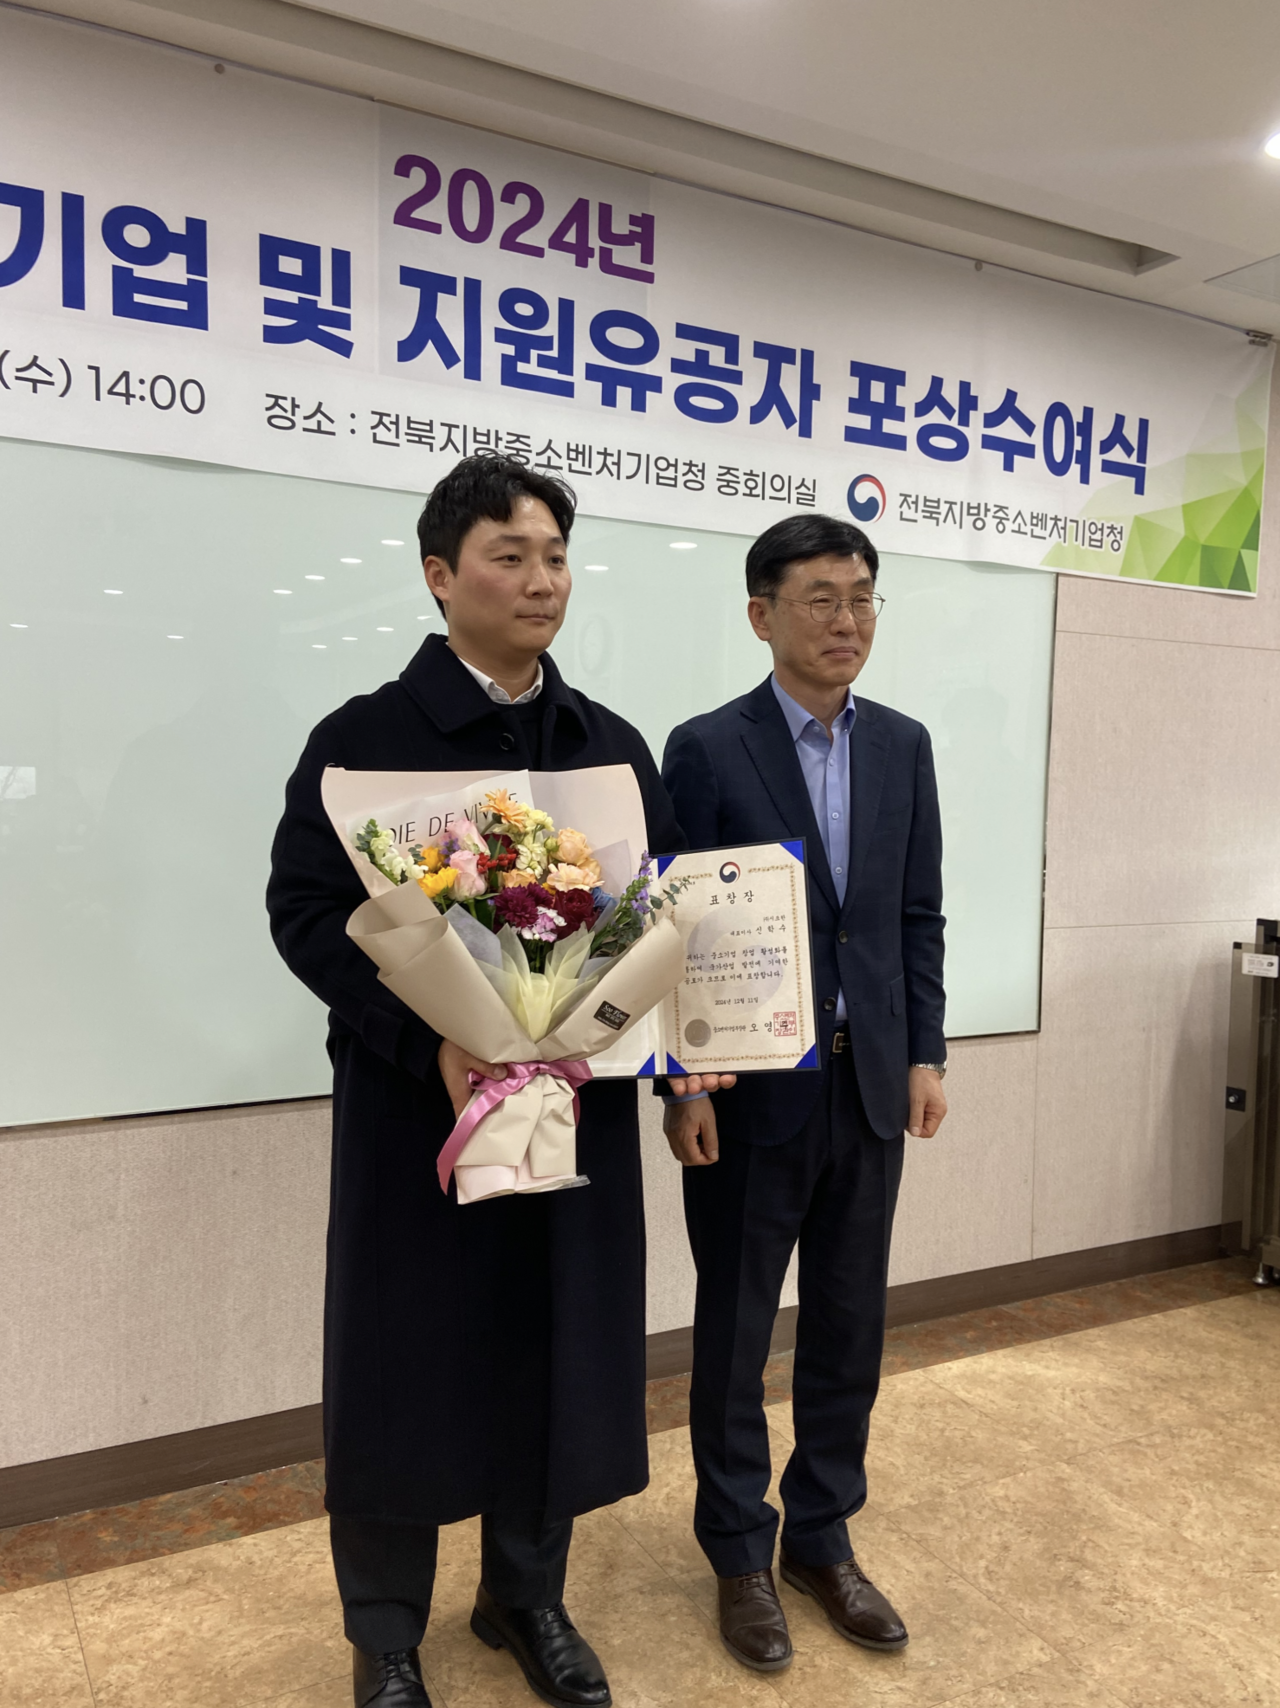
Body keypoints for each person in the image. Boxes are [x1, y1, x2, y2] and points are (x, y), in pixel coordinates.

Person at [267, 455, 725, 1708]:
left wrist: (682, 1075)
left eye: (555, 558)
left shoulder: (609, 746)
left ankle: (524, 1595)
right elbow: (304, 914)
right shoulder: (361, 740)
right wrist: (425, 1039)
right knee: (404, 1361)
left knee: (553, 1346)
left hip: (575, 1108)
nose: (540, 581)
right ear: (439, 574)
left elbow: (660, 922)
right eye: (508, 556)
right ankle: (385, 1631)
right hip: (418, 1113)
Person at [659, 512, 948, 1673]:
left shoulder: (902, 745)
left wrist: (924, 1052)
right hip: (747, 1092)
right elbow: (671, 925)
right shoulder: (705, 747)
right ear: (760, 614)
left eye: (862, 596)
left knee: (846, 1323)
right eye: (820, 598)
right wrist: (679, 1084)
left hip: (867, 1083)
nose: (846, 620)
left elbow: (914, 913)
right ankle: (738, 1549)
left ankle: (820, 1538)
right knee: (734, 1330)